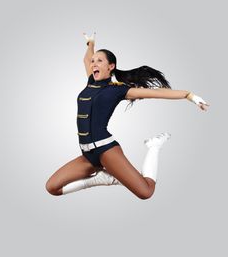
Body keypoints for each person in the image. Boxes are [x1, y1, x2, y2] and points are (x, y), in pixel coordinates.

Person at [45, 32, 209, 200]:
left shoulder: (118, 90)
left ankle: (154, 146)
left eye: (99, 61)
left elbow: (156, 93)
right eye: (93, 61)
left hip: (106, 151)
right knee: (52, 188)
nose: (93, 64)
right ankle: (101, 179)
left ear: (111, 66)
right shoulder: (91, 81)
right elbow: (86, 59)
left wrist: (190, 96)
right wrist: (91, 44)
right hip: (88, 154)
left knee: (146, 192)